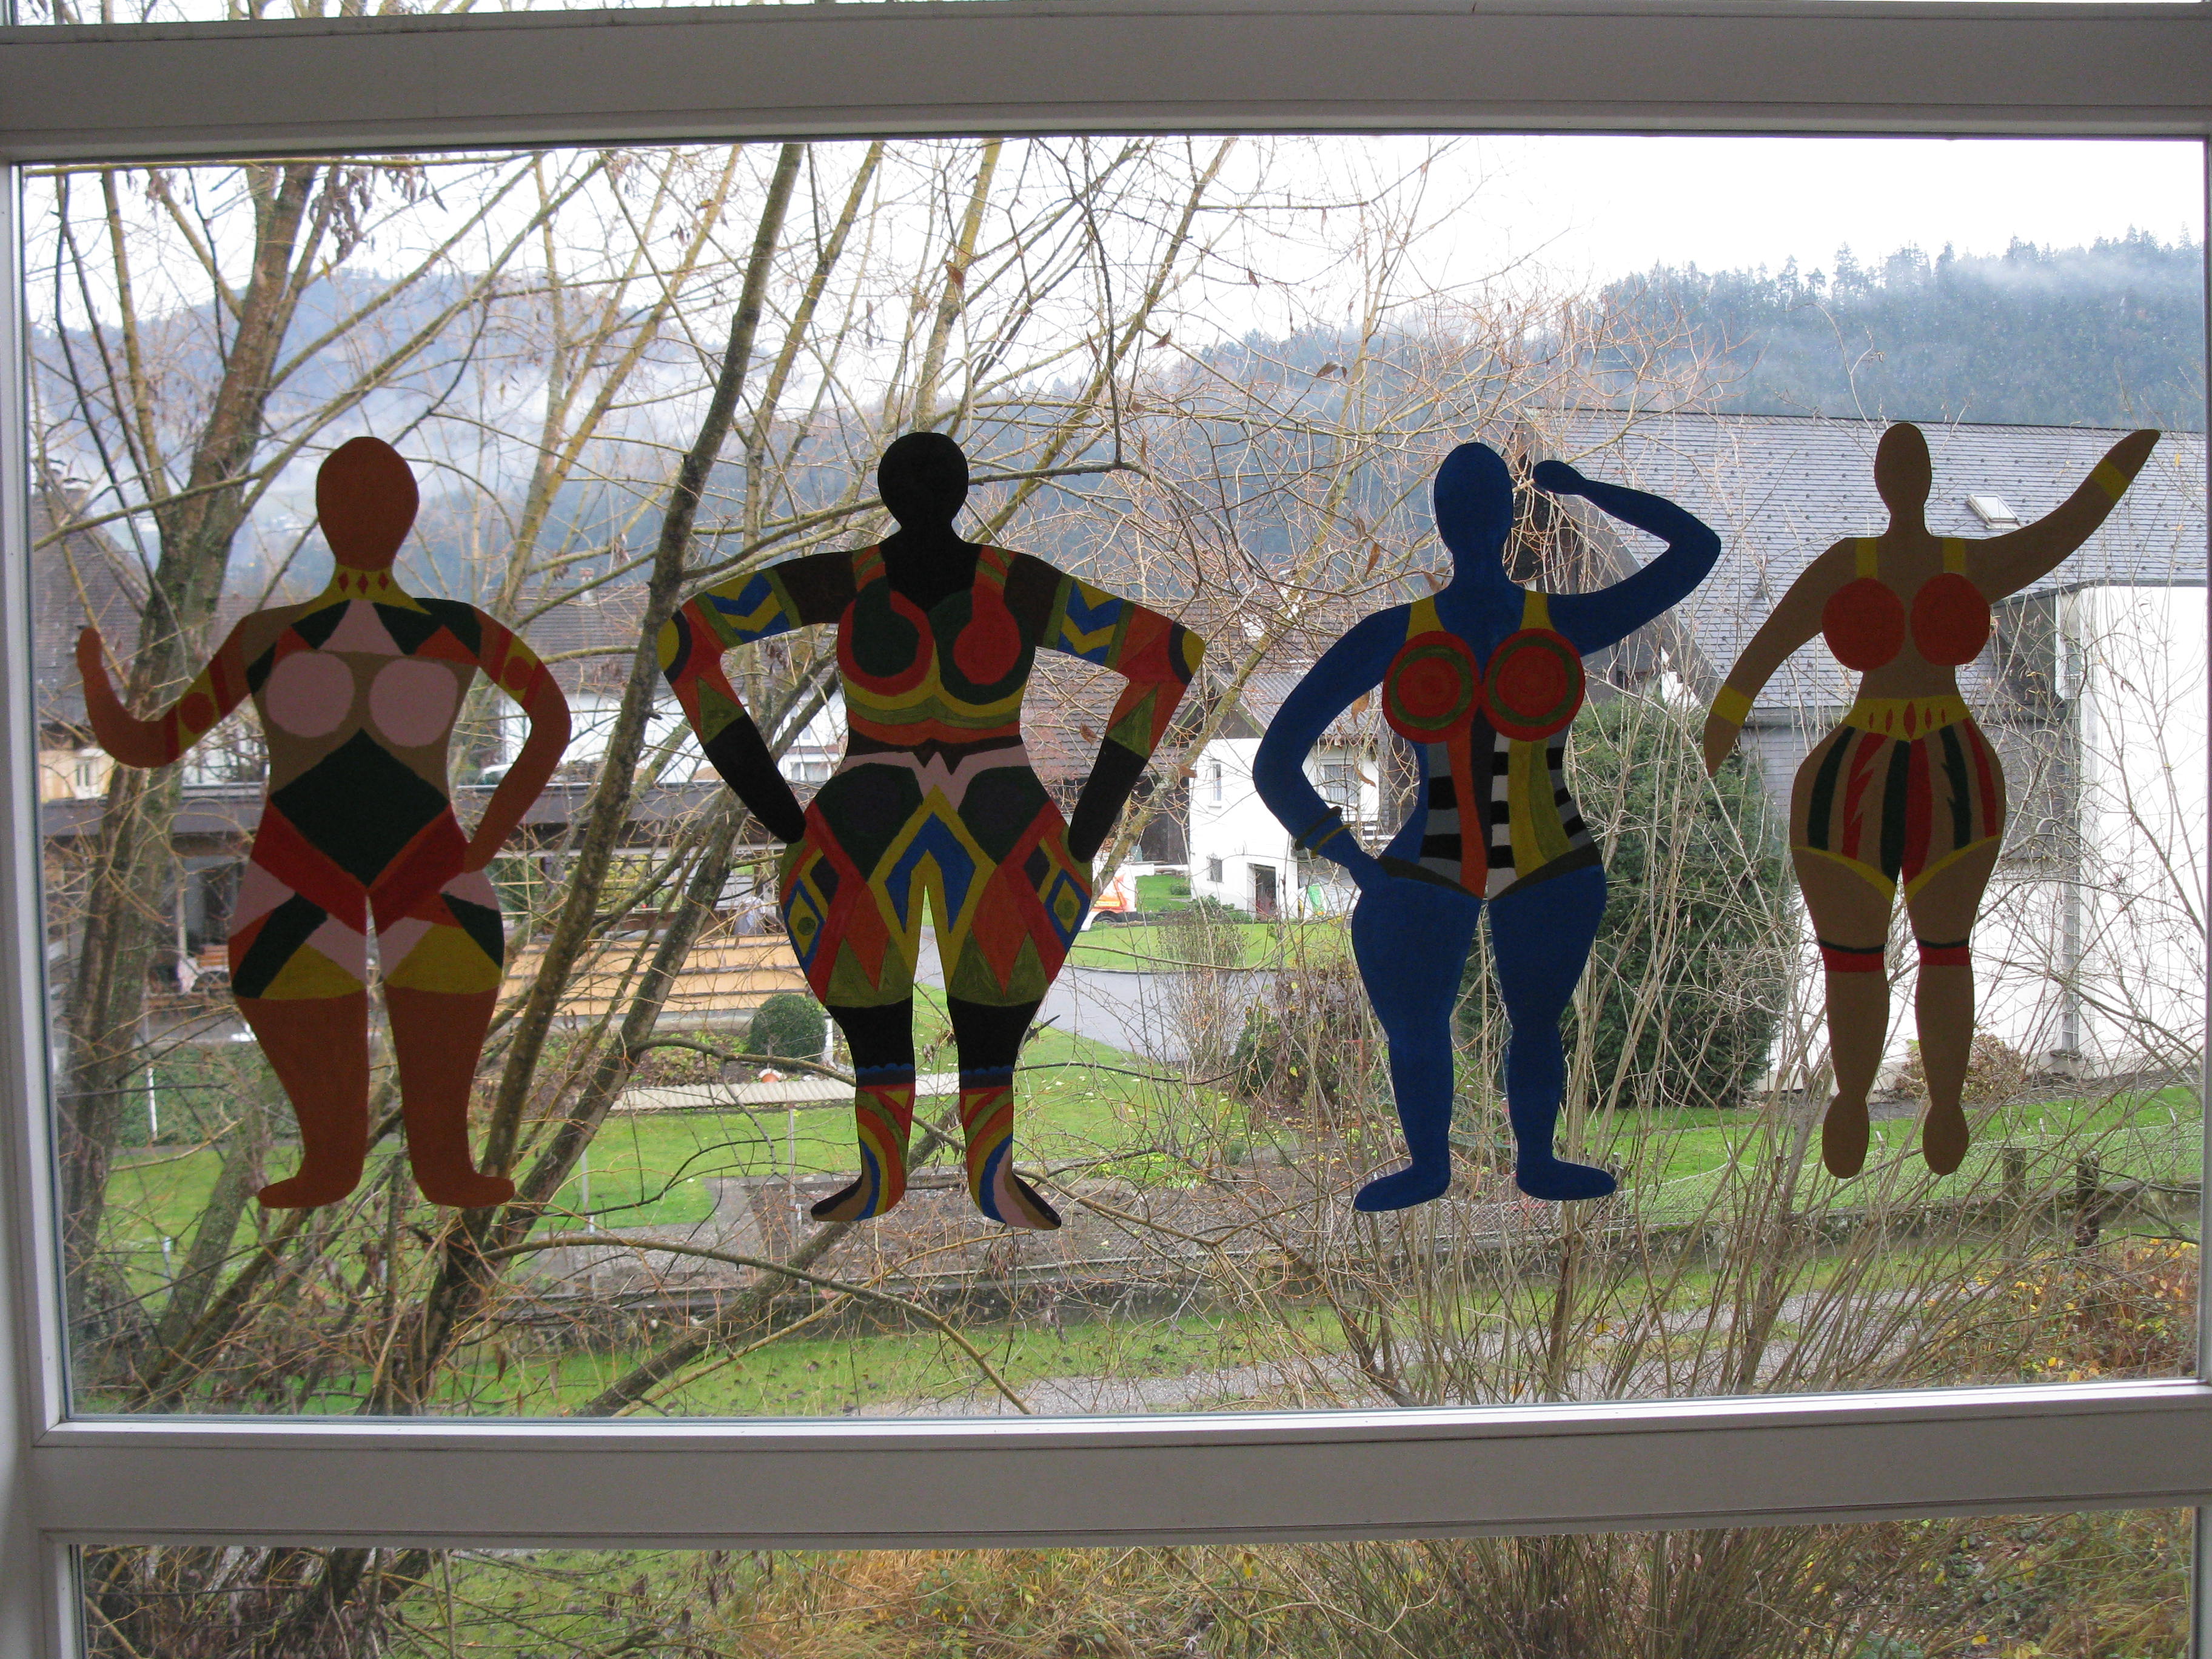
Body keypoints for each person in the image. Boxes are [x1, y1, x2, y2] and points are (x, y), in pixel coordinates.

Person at [660, 431, 1204, 1230]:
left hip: (910, 823)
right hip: (958, 823)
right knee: (886, 1010)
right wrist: (1087, 825)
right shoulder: (996, 585)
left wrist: (779, 811)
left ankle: (967, 1176)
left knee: (980, 1014)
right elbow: (1166, 655)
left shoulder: (872, 581)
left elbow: (1166, 654)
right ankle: (905, 1177)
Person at [78, 437, 571, 1208]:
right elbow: (551, 719)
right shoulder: (448, 629)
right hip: (379, 861)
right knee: (326, 987)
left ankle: (411, 1162)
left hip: (361, 861)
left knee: (391, 984)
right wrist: (488, 835)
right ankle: (357, 1162)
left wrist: (491, 835)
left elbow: (154, 742)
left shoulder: (277, 635)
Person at [1256, 441, 1720, 1209]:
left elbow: (1276, 763)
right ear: (1509, 520)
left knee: (1502, 1023)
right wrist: (1585, 491)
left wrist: (1356, 862)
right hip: (1517, 856)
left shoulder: (1406, 632)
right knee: (1462, 1022)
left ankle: (1498, 1163)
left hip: (1516, 860)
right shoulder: (1543, 623)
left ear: (1445, 522)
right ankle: (1465, 1164)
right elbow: (1695, 548)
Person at [1703, 421, 2158, 1180]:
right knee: (1861, 954)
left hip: (1941, 772)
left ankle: (1940, 1104)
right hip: (1882, 770)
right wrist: (1723, 716)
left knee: (1940, 947)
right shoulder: (1864, 564)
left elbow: (2062, 532)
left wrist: (2120, 468)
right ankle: (1857, 1101)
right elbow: (1773, 640)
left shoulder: (1938, 562)